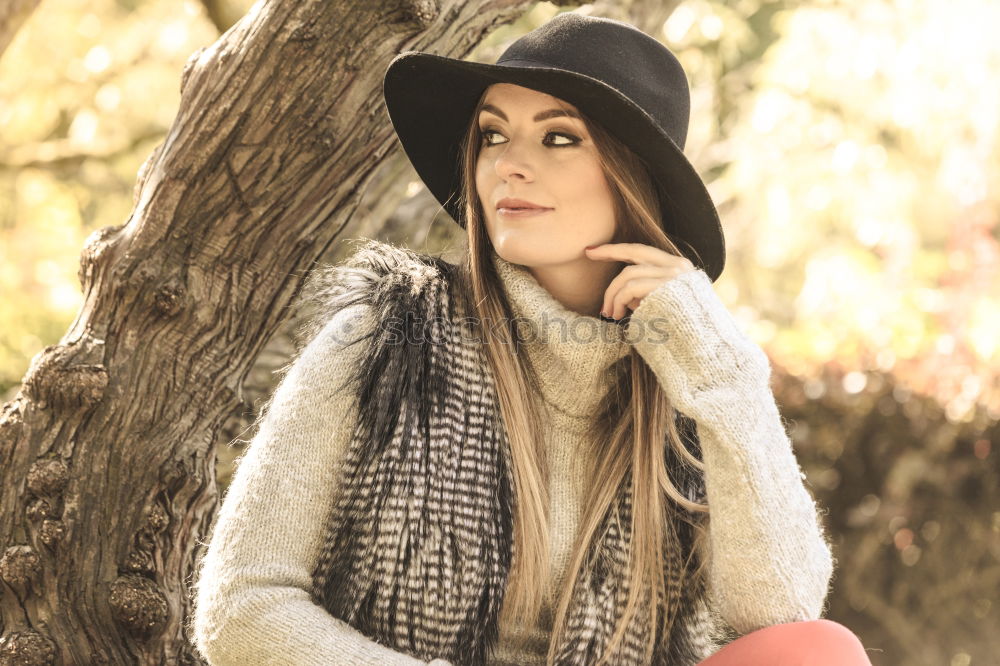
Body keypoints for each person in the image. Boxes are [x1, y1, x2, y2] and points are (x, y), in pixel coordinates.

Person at [188, 12, 874, 666]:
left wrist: (725, 371)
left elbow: (782, 615)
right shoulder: (388, 340)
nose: (508, 165)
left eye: (557, 137)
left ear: (633, 179)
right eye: (492, 134)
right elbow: (241, 607)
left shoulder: (688, 379)